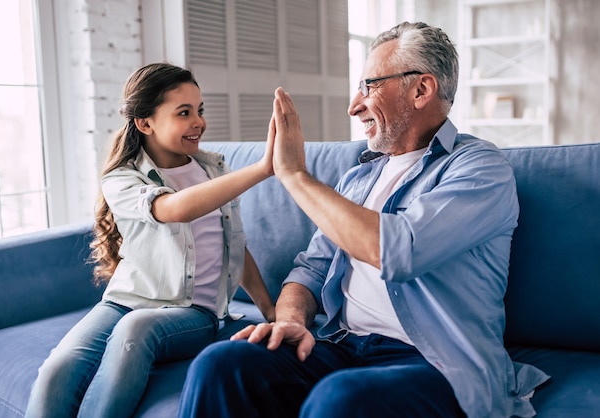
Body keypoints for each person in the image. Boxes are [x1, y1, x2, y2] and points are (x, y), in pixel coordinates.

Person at [178, 22, 550, 418]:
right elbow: (310, 270)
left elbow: (397, 249)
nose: (354, 105)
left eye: (368, 86)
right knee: (220, 364)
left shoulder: (479, 167)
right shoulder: (359, 177)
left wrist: (295, 176)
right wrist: (290, 322)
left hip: (435, 362)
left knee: (341, 399)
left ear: (421, 90)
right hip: (343, 347)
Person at [25, 63, 276, 418]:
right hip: (124, 301)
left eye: (200, 110)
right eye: (184, 112)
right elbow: (173, 208)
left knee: (136, 329)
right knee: (58, 368)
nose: (198, 122)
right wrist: (263, 167)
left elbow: (233, 245)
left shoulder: (213, 170)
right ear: (145, 123)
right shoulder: (121, 179)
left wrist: (270, 310)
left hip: (191, 312)